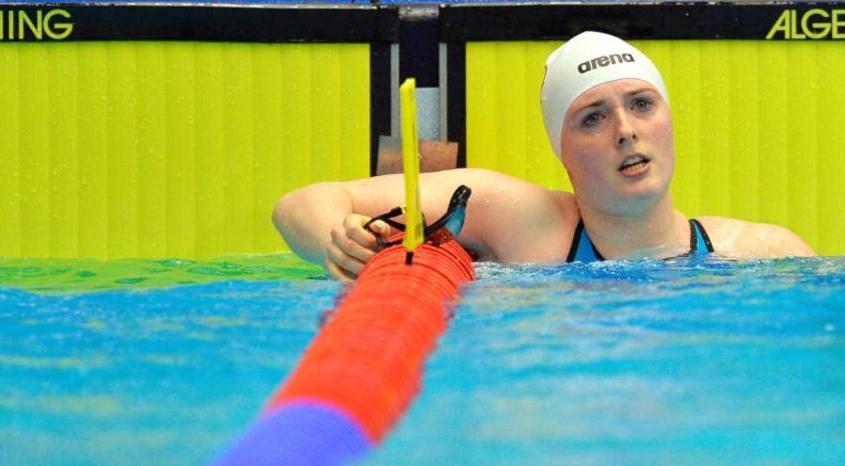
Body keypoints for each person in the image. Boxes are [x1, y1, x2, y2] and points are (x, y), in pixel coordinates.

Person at [272, 31, 816, 282]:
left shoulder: (765, 255)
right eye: (593, 117)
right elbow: (302, 203)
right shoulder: (520, 220)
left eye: (641, 104)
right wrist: (335, 241)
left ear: (668, 121)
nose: (625, 131)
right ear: (562, 151)